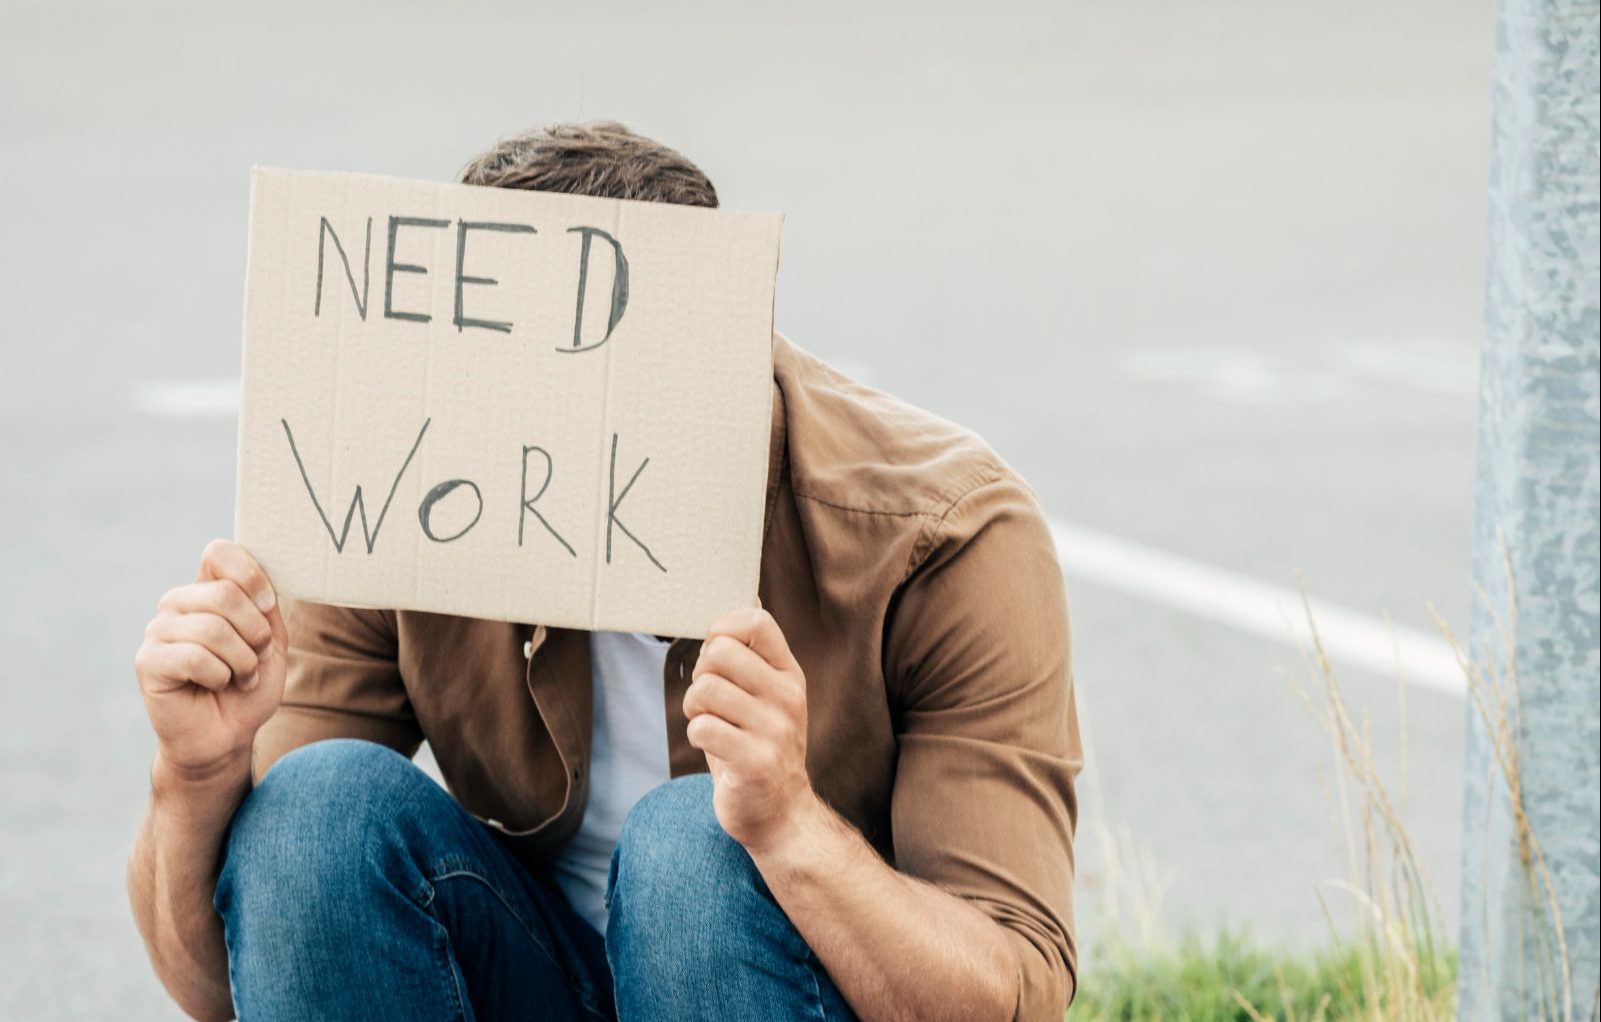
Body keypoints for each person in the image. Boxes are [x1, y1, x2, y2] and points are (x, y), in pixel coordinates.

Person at [127, 121, 1082, 1022]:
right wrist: (196, 773)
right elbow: (233, 980)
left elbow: (1012, 992)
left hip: (786, 984)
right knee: (313, 807)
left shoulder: (942, 533)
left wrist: (789, 827)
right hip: (536, 969)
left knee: (692, 845)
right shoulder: (408, 498)